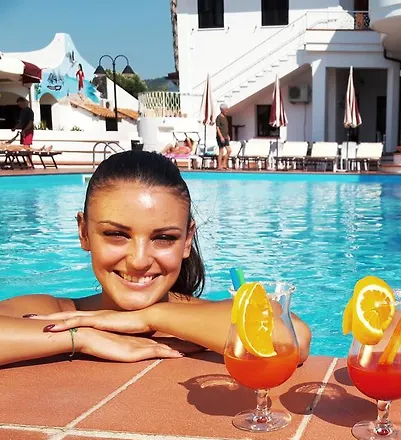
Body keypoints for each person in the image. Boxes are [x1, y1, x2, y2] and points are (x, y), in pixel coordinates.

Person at [0, 151, 311, 368]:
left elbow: (293, 339)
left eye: (164, 238)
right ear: (84, 233)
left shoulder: (205, 317)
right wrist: (81, 337)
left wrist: (150, 318)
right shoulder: (59, 314)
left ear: (187, 241)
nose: (139, 260)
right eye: (116, 234)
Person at [216, 104, 231, 170]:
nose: (227, 111)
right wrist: (221, 137)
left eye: (227, 109)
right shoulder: (219, 117)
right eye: (226, 110)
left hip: (225, 137)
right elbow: (217, 128)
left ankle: (224, 163)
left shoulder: (225, 117)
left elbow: (225, 128)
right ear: (222, 110)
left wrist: (227, 135)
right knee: (221, 151)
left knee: (229, 150)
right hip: (221, 137)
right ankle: (219, 166)